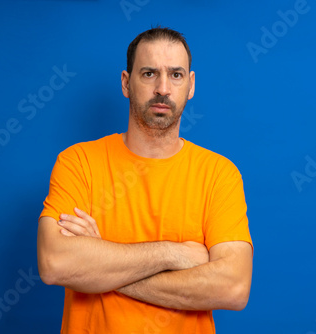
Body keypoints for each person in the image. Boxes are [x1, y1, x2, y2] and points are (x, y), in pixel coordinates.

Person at [37, 27, 253, 333]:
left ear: (190, 85)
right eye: (149, 73)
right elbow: (54, 263)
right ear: (126, 83)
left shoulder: (219, 174)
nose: (163, 88)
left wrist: (100, 263)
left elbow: (233, 287)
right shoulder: (78, 162)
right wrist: (174, 254)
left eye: (176, 75)